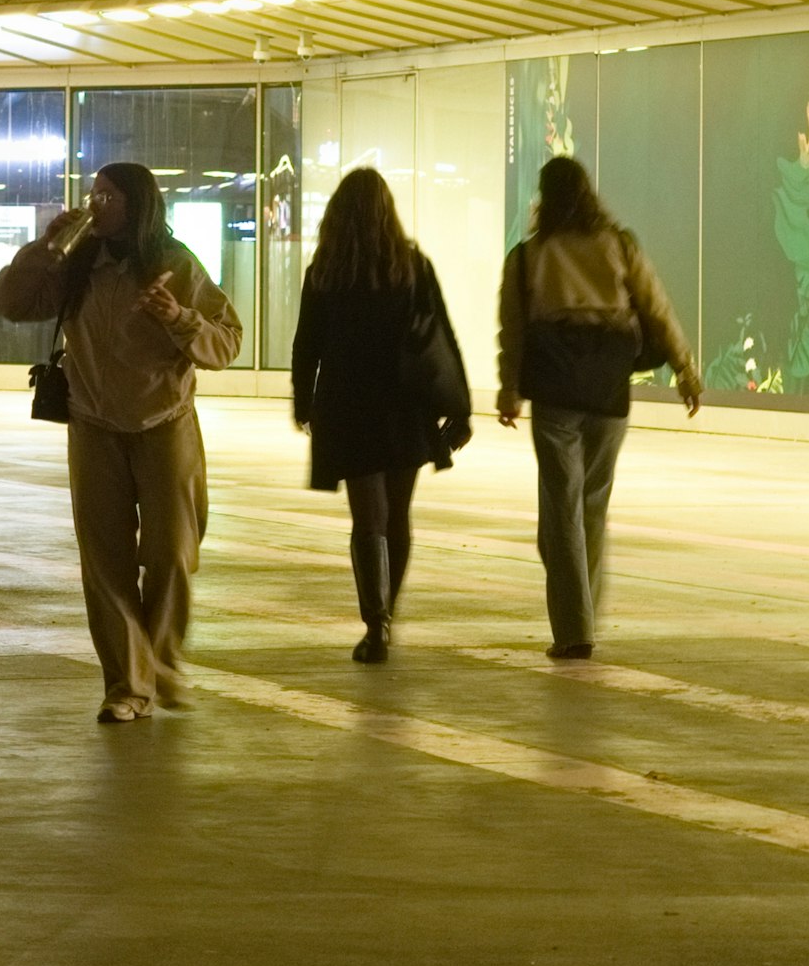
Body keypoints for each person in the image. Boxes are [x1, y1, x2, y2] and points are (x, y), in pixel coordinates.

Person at [0, 162, 242, 723]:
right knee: (105, 562)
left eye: (108, 195)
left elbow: (226, 342)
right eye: (92, 194)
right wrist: (46, 247)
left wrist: (180, 318)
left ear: (136, 205)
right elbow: (7, 302)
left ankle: (163, 661)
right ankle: (128, 684)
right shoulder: (76, 264)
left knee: (172, 553)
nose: (96, 203)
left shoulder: (176, 265)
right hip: (93, 424)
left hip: (165, 423)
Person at [494, 153, 703, 662]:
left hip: (555, 395)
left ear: (544, 198)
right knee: (590, 506)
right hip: (609, 392)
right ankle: (581, 618)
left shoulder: (527, 257)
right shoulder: (619, 245)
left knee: (560, 512)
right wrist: (685, 370)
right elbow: (657, 307)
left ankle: (574, 629)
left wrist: (509, 388)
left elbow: (514, 331)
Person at [290, 168, 472, 662]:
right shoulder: (412, 267)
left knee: (367, 517)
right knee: (398, 516)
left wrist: (302, 402)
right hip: (405, 407)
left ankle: (377, 625)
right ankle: (387, 612)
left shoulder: (325, 271)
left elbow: (307, 344)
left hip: (348, 407)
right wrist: (460, 407)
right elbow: (442, 339)